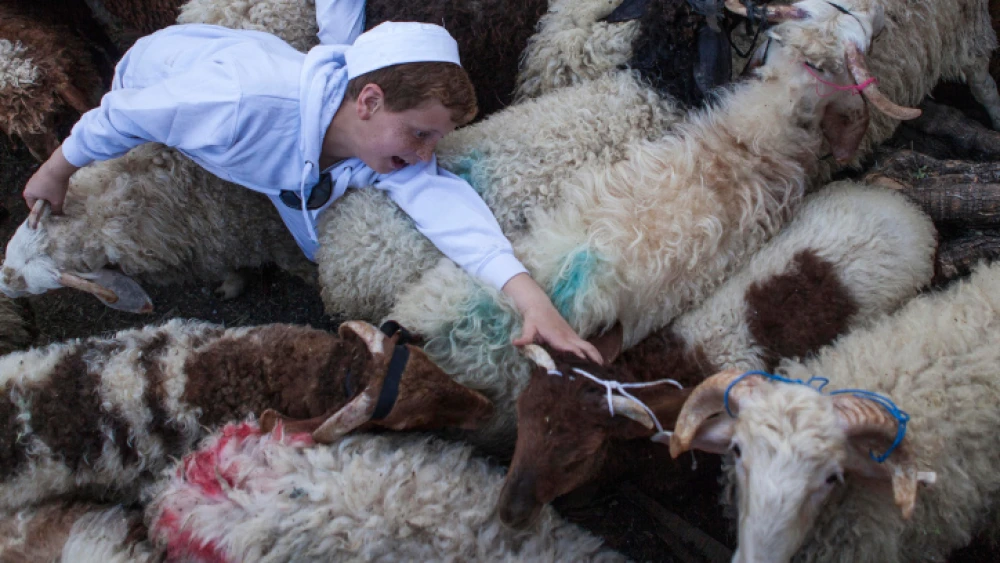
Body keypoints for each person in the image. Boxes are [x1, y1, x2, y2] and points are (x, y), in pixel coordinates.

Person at [21, 8, 603, 363]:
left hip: (291, 125)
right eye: (420, 134)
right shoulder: (237, 106)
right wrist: (57, 168)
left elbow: (446, 204)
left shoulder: (383, 139)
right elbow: (128, 114)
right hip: (163, 72)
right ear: (369, 101)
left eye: (435, 139)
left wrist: (529, 296)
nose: (426, 155)